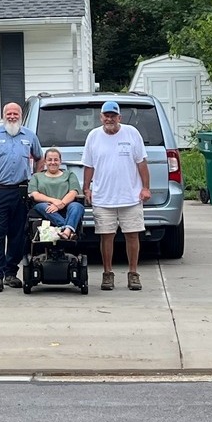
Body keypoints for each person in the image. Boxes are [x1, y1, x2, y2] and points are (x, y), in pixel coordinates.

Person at [80, 99, 150, 291]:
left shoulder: (132, 133)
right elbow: (88, 165)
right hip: (103, 197)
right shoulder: (93, 136)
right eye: (106, 115)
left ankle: (133, 273)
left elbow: (141, 163)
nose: (109, 119)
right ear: (101, 117)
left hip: (130, 196)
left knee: (132, 236)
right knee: (106, 236)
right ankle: (107, 274)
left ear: (119, 117)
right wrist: (87, 188)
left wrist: (145, 188)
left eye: (113, 115)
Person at [0, 101, 42, 292]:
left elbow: (40, 158)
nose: (12, 116)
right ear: (3, 115)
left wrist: (35, 182)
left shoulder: (29, 136)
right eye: (9, 113)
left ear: (21, 116)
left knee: (18, 236)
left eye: (16, 114)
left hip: (21, 192)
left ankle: (10, 273)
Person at [28, 148, 83, 241]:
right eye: (49, 160)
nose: (53, 162)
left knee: (77, 206)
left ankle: (66, 231)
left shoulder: (69, 175)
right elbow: (35, 194)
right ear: (45, 162)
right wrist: (54, 201)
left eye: (56, 160)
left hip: (66, 205)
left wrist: (61, 204)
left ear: (60, 161)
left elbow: (74, 191)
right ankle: (67, 229)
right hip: (44, 206)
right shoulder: (37, 176)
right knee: (44, 206)